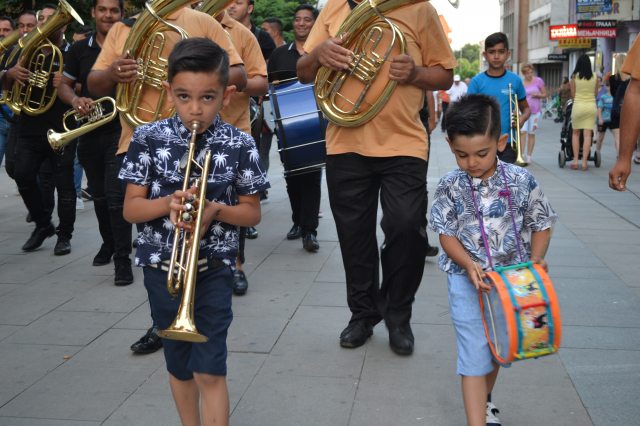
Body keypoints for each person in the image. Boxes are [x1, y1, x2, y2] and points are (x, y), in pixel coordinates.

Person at [120, 37, 269, 426]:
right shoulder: (147, 138)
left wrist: (216, 209)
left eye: (207, 97)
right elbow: (131, 209)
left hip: (215, 268)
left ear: (227, 95)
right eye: (184, 96)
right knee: (180, 365)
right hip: (161, 269)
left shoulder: (241, 143)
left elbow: (252, 214)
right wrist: (166, 204)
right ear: (168, 91)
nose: (195, 109)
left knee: (209, 368)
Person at [297, 0, 457, 354]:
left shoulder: (419, 8)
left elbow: (444, 73)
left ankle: (399, 316)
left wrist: (415, 73)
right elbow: (304, 72)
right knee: (354, 237)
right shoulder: (335, 7)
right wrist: (319, 53)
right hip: (344, 142)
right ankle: (363, 315)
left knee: (406, 227)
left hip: (404, 143)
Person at [430, 94, 557, 426]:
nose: (472, 162)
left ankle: (484, 400)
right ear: (450, 144)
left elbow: (542, 221)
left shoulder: (520, 180)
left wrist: (537, 259)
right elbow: (445, 233)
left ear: (501, 142)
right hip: (465, 280)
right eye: (461, 155)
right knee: (474, 353)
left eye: (481, 154)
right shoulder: (448, 185)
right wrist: (468, 263)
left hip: (510, 284)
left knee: (499, 346)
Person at [58, 0, 133, 281]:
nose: (108, 15)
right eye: (102, 9)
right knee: (99, 195)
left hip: (121, 131)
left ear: (122, 15)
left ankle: (123, 260)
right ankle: (109, 243)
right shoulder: (79, 49)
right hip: (89, 130)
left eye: (114, 10)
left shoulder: (131, 44)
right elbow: (64, 85)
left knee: (116, 197)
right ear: (93, 13)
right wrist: (76, 99)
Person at [5, 4, 77, 255]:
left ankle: (64, 236)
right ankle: (43, 224)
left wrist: (70, 86)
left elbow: (88, 89)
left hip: (61, 128)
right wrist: (10, 73)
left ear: (63, 25)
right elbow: (3, 81)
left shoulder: (73, 52)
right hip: (29, 126)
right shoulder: (23, 50)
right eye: (42, 20)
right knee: (22, 174)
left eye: (52, 20)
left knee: (64, 185)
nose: (46, 25)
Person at [213, 8, 268, 295]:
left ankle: (236, 265)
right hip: (186, 130)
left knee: (236, 202)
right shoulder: (181, 22)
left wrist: (235, 79)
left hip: (233, 131)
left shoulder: (243, 34)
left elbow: (261, 82)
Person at [267, 4, 322, 253]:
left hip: (314, 123)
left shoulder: (321, 52)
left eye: (307, 20)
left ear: (315, 23)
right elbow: (270, 87)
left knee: (311, 176)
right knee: (292, 176)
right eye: (298, 19)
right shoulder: (280, 54)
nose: (301, 23)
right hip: (287, 124)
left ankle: (309, 231)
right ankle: (298, 222)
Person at [467, 32, 531, 164]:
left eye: (501, 52)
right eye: (491, 52)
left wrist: (522, 118)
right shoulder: (476, 82)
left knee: (505, 183)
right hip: (482, 142)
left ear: (508, 54)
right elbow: (468, 113)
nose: (496, 56)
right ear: (485, 55)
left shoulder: (516, 80)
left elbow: (526, 109)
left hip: (508, 143)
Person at [570, 54, 599, 171]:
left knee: (576, 134)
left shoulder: (574, 77)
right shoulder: (595, 76)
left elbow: (572, 95)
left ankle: (576, 161)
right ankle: (584, 163)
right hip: (591, 107)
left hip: (578, 107)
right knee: (588, 135)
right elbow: (595, 94)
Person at [520, 63, 546, 164]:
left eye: (531, 72)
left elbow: (545, 94)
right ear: (523, 73)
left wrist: (538, 95)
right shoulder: (521, 82)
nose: (529, 75)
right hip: (523, 111)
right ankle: (521, 155)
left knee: (531, 133)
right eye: (527, 73)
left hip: (535, 111)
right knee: (522, 132)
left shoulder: (538, 81)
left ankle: (529, 156)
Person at [0, 15, 15, 168]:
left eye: (6, 30)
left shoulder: (22, 53)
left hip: (18, 118)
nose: (2, 33)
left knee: (20, 169)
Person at [596, 79, 619, 155]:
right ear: (607, 87)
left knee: (617, 137)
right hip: (604, 120)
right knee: (601, 137)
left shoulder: (616, 97)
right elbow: (599, 108)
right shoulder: (603, 97)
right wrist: (600, 118)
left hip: (613, 120)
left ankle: (619, 155)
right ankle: (597, 152)